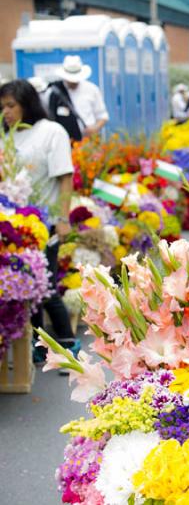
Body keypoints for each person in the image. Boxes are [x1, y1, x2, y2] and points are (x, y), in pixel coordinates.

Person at [0, 80, 77, 359]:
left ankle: (68, 345)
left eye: (11, 106)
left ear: (27, 104)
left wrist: (63, 218)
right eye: (2, 107)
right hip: (12, 225)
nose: (5, 112)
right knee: (22, 286)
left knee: (45, 288)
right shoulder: (5, 135)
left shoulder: (51, 132)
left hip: (45, 222)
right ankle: (37, 347)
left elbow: (65, 177)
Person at [47, 55, 109, 141]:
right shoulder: (55, 92)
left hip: (88, 141)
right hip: (64, 141)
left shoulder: (92, 89)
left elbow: (103, 115)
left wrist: (94, 128)